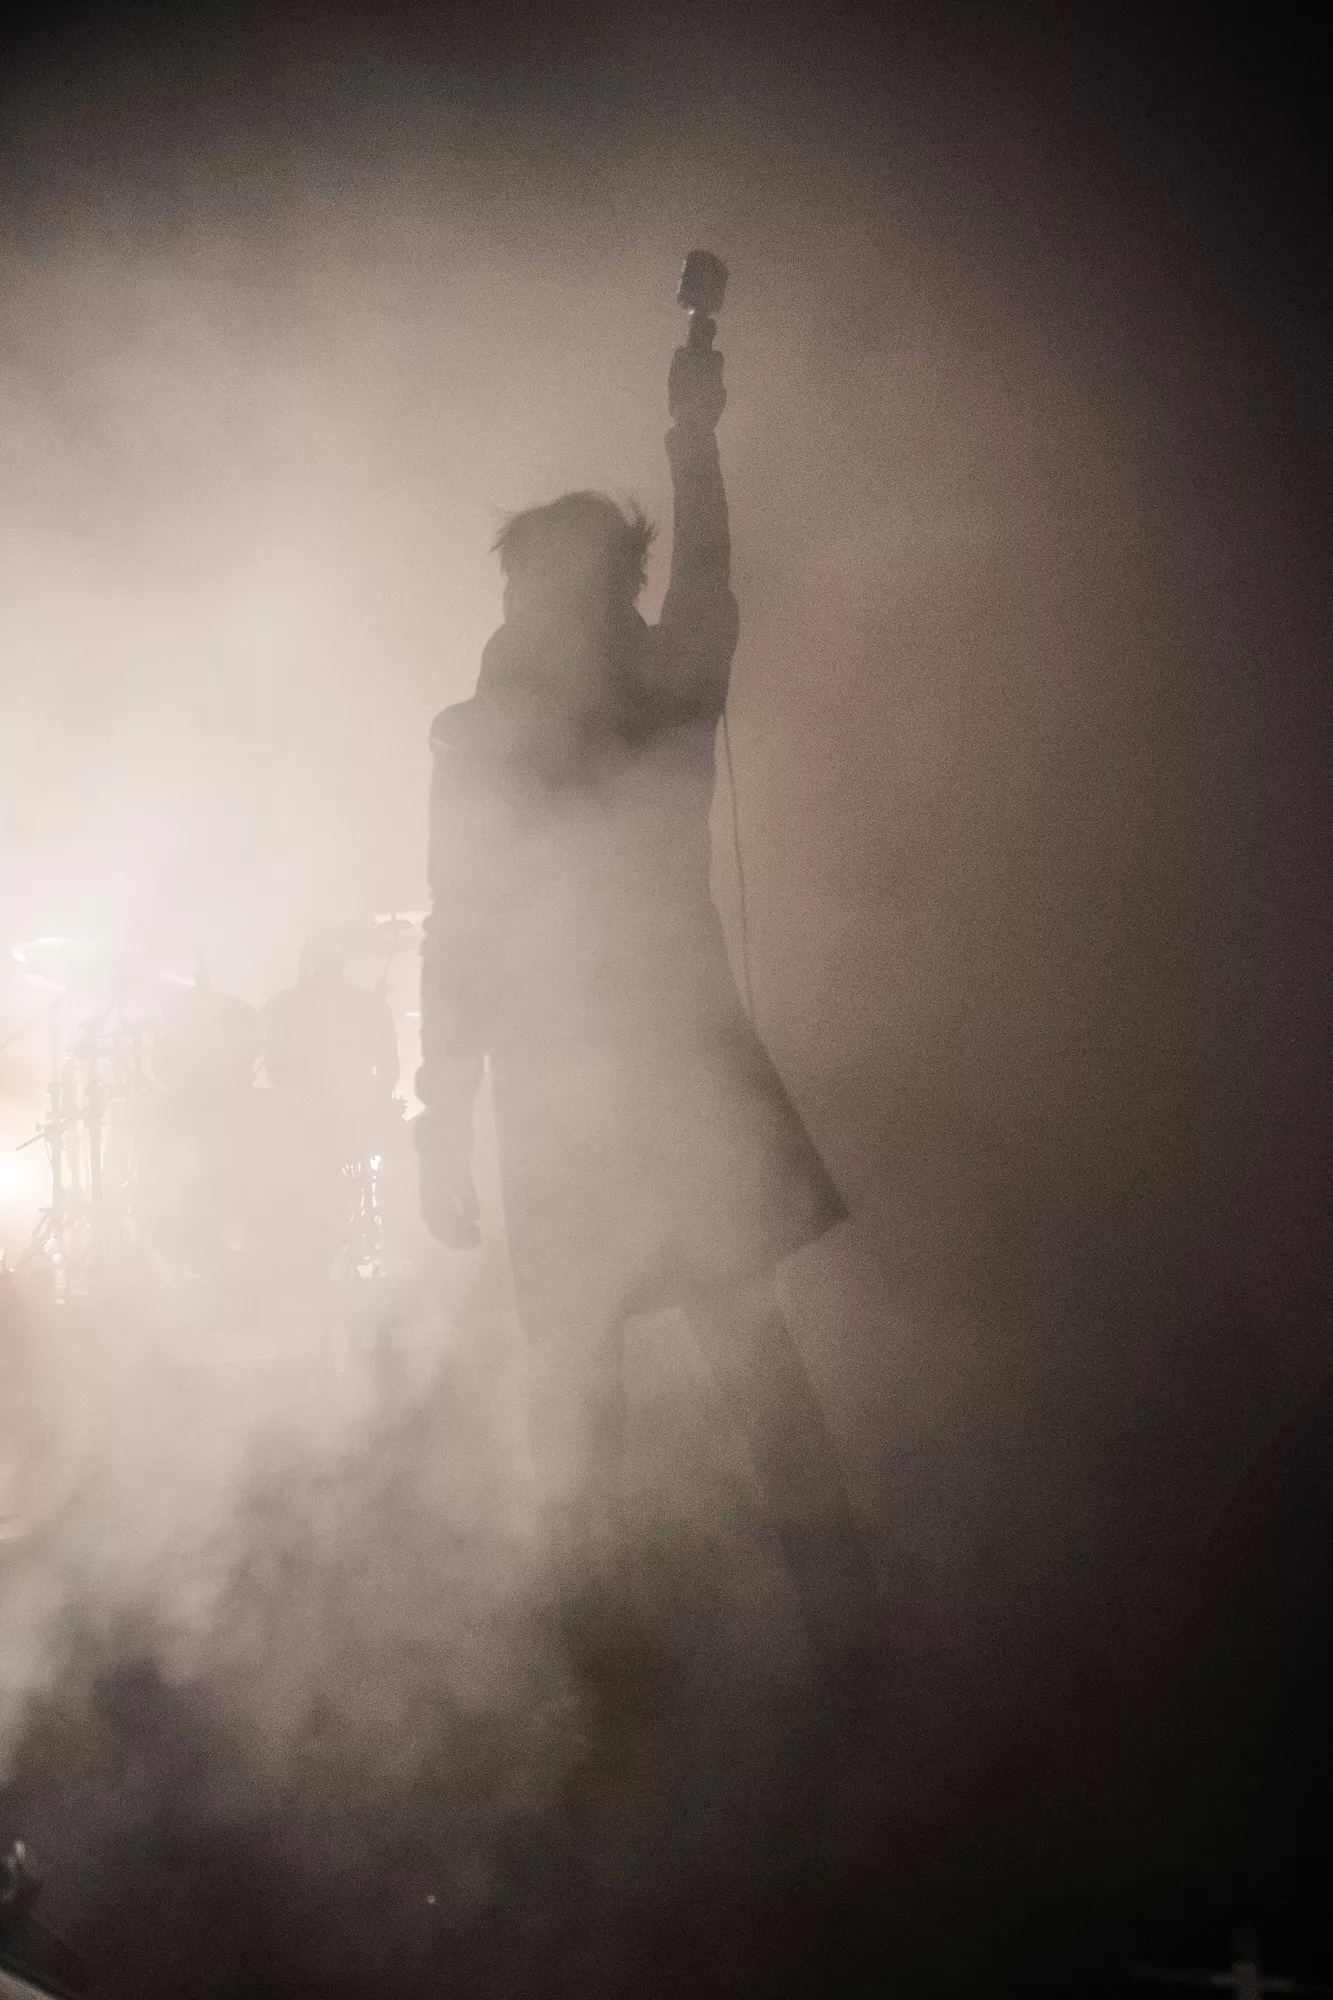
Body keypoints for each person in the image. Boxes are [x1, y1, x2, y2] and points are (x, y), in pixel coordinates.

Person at [415, 321, 875, 1688]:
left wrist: (693, 440)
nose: (528, 605)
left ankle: (738, 1654)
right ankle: (751, 1650)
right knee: (657, 1371)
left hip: (645, 1083)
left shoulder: (617, 706)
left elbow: (459, 935)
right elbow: (461, 930)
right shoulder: (533, 723)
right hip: (620, 1088)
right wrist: (437, 1119)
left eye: (543, 581)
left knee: (670, 1370)